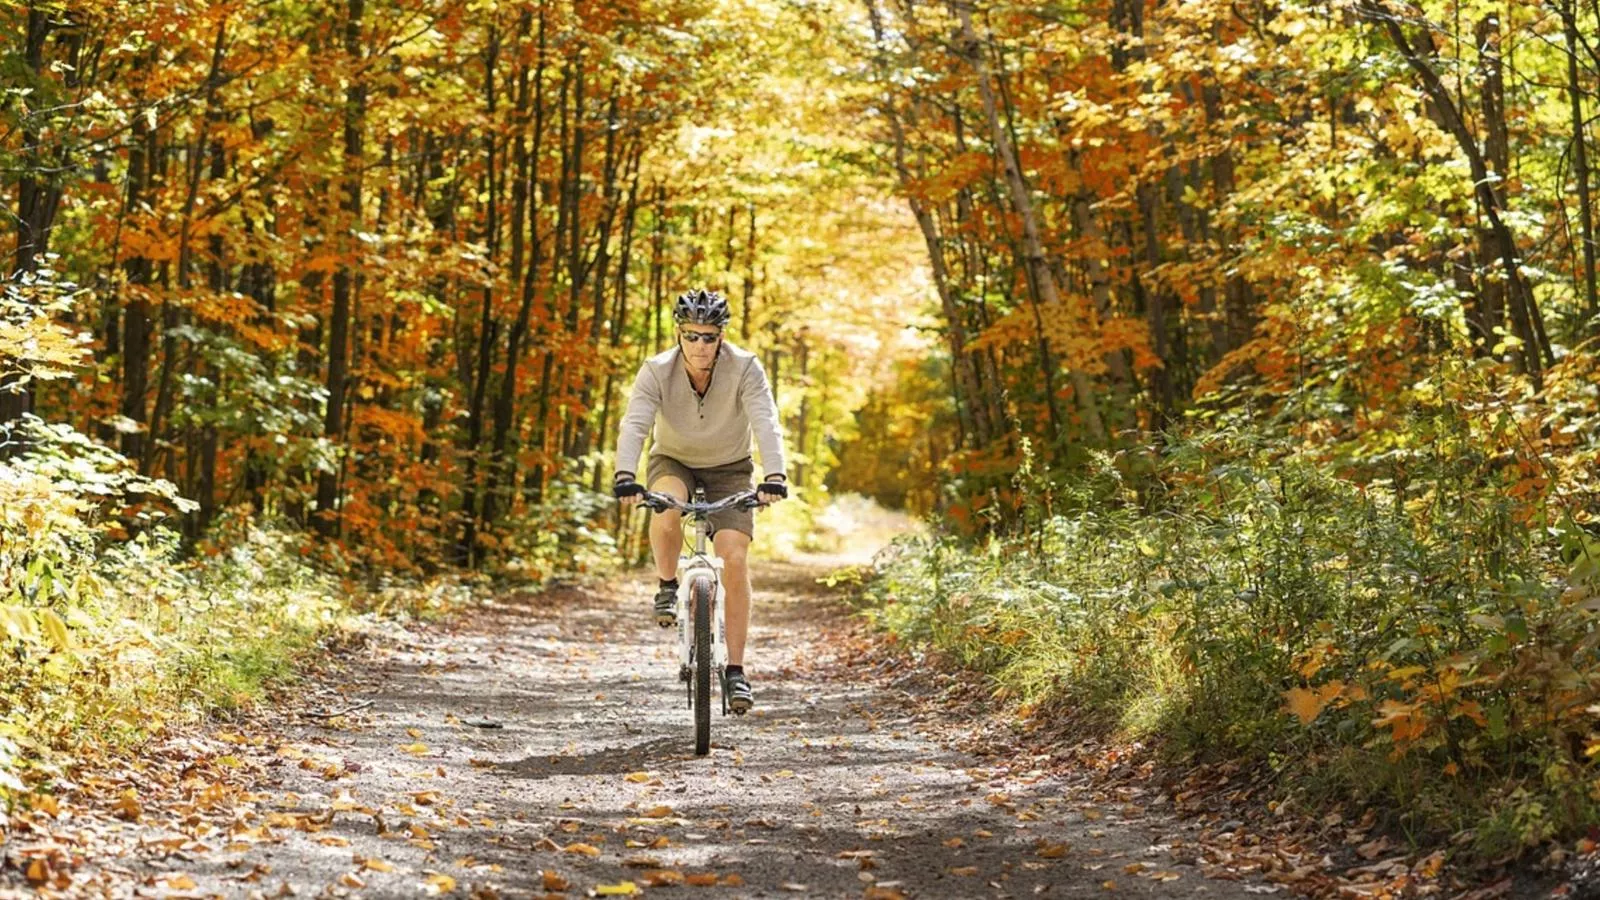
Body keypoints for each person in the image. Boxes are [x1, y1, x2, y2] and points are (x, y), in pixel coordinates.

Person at [612, 288, 788, 714]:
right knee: (667, 503)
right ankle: (668, 586)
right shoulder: (656, 370)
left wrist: (775, 475)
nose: (700, 346)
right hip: (673, 460)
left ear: (721, 337)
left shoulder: (746, 367)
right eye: (691, 336)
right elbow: (636, 421)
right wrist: (624, 474)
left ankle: (736, 672)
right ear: (679, 333)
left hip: (730, 467)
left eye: (709, 337)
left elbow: (766, 420)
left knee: (735, 556)